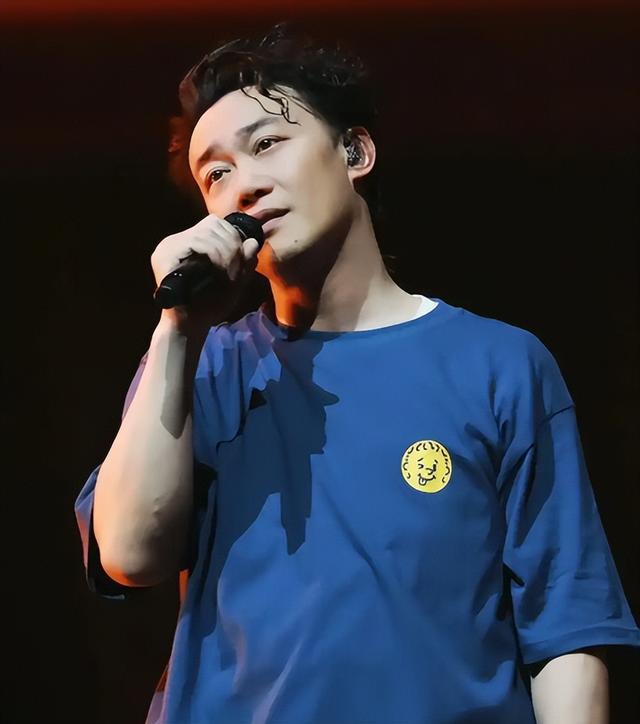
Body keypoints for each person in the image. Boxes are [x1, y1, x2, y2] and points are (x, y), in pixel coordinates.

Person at [74, 21, 640, 724]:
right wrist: (178, 327)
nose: (244, 184)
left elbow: (567, 629)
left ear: (355, 151)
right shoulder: (206, 362)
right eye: (215, 174)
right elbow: (130, 554)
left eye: (266, 144)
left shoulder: (498, 364)